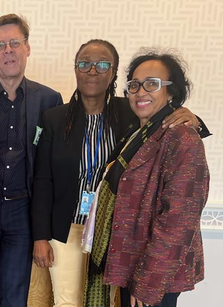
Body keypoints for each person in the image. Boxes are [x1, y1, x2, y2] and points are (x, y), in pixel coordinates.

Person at [31, 39, 210, 307]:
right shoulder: (56, 118)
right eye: (84, 63)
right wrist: (40, 235)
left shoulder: (131, 112)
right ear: (76, 68)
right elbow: (43, 180)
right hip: (68, 227)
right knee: (67, 301)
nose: (93, 70)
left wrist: (191, 117)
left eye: (102, 64)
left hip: (114, 233)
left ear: (113, 72)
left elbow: (177, 215)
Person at [84, 50, 210, 307]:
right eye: (134, 85)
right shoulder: (137, 131)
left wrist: (148, 284)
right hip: (129, 261)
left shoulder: (182, 138)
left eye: (152, 84)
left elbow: (178, 221)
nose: (141, 92)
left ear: (171, 92)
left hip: (154, 275)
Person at [0, 14, 63, 307]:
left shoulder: (49, 100)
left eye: (14, 43)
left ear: (27, 48)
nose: (8, 50)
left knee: (15, 295)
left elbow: (50, 166)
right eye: (0, 45)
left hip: (22, 210)